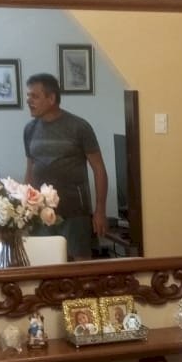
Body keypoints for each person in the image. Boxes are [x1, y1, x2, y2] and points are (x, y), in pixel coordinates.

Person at [22, 73, 109, 261]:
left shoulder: (79, 127)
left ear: (51, 98)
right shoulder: (29, 129)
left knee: (80, 267)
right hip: (41, 213)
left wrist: (100, 211)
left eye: (34, 96)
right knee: (44, 263)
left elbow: (99, 169)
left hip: (75, 213)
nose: (28, 101)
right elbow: (30, 169)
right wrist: (24, 208)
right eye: (28, 96)